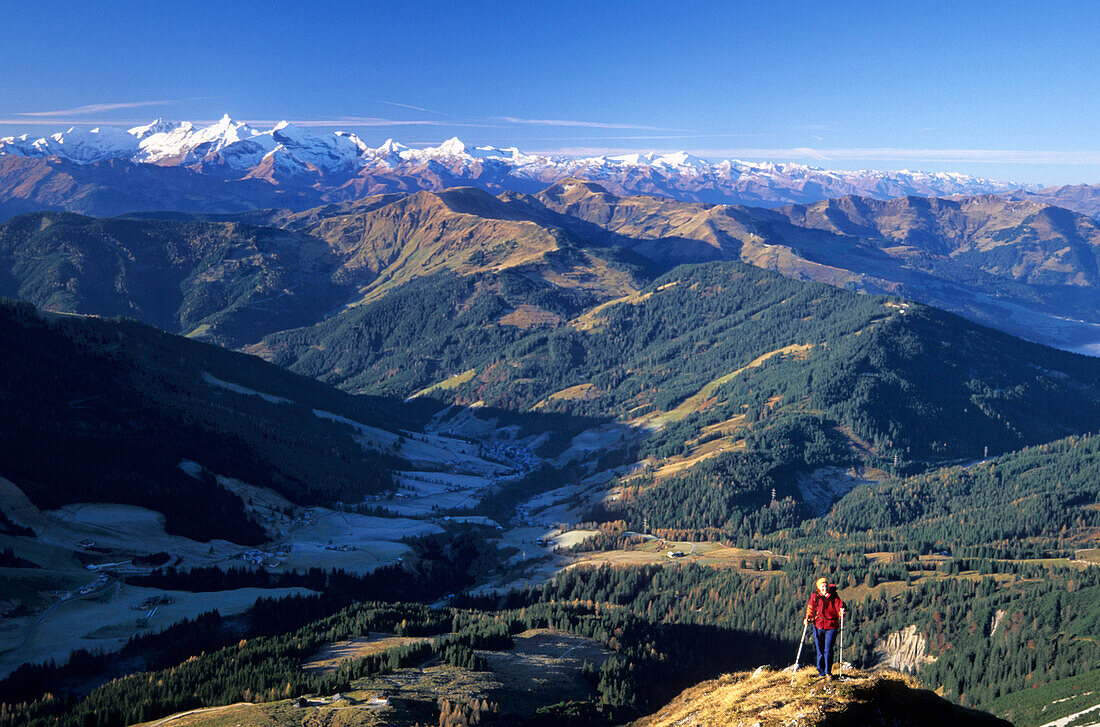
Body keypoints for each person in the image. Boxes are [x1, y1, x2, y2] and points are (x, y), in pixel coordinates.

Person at [804, 576, 845, 680]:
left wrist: (841, 614)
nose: (824, 588)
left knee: (828, 649)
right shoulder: (815, 597)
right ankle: (821, 672)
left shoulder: (834, 597)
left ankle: (827, 672)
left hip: (831, 626)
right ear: (819, 587)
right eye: (822, 586)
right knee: (820, 649)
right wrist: (808, 618)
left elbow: (839, 607)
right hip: (818, 625)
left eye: (825, 586)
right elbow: (810, 608)